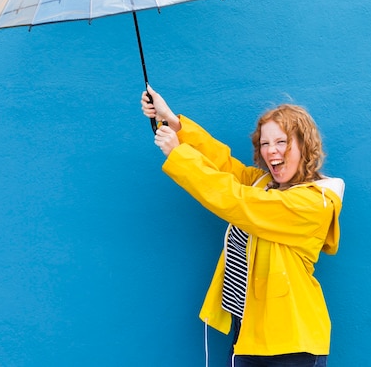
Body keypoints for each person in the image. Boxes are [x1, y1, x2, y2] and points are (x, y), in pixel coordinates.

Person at [141, 86, 344, 367]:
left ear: (304, 145)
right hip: (247, 337)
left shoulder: (312, 202)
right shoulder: (263, 185)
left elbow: (239, 202)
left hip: (292, 345)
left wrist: (178, 155)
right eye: (264, 143)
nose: (272, 150)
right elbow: (224, 166)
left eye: (282, 142)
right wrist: (174, 123)